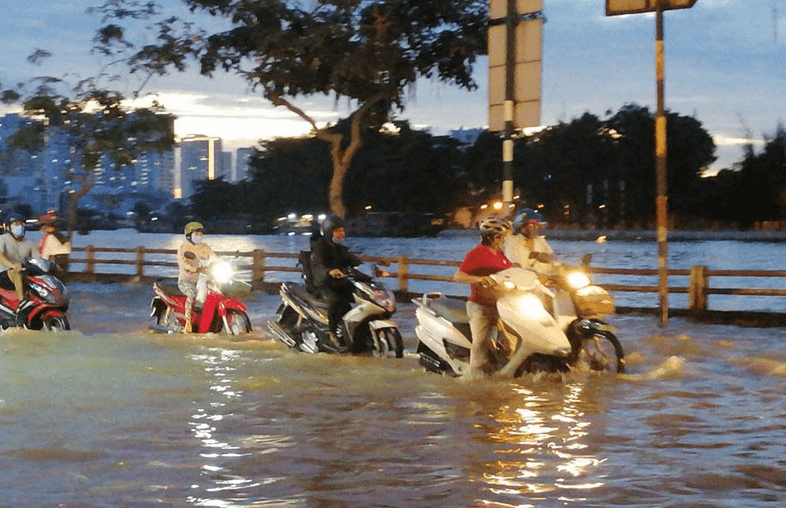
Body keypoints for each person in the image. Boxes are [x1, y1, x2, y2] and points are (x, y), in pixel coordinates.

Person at [453, 215, 513, 377]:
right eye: (501, 237)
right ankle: (475, 374)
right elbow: (458, 276)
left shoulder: (500, 254)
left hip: (501, 305)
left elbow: (511, 273)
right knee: (481, 341)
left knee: (512, 338)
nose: (503, 240)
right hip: (480, 305)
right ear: (494, 237)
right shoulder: (477, 253)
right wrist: (479, 279)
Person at [310, 215, 362, 348]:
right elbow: (317, 265)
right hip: (322, 283)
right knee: (336, 300)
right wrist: (329, 271)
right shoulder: (320, 247)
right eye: (338, 230)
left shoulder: (339, 249)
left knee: (359, 297)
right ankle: (332, 332)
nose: (342, 234)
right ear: (329, 231)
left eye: (343, 231)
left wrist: (375, 267)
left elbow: (354, 261)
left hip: (339, 283)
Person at [0, 215, 46, 324]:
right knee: (17, 271)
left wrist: (50, 265)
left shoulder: (29, 242)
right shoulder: (2, 239)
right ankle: (22, 302)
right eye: (16, 224)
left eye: (21, 223)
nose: (20, 226)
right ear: (8, 227)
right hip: (4, 274)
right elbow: (0, 256)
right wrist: (11, 264)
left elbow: (38, 258)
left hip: (22, 273)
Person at [177, 221, 217, 333]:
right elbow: (182, 263)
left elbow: (214, 257)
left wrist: (224, 264)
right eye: (196, 234)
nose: (199, 237)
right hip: (187, 280)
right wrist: (193, 268)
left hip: (203, 278)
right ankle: (188, 322)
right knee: (191, 294)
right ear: (189, 235)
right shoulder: (184, 247)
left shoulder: (205, 246)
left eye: (201, 234)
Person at [503, 210, 557, 276]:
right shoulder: (512, 241)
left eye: (536, 225)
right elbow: (513, 264)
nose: (534, 228)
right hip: (523, 280)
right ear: (522, 227)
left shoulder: (540, 240)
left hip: (545, 279)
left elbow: (553, 259)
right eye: (531, 226)